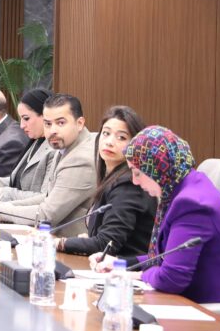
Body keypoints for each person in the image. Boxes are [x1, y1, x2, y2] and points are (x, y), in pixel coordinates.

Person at [92, 126, 220, 304]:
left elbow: (172, 279)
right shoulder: (180, 188)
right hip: (193, 300)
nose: (135, 181)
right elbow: (165, 257)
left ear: (157, 169)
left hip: (217, 307)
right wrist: (120, 263)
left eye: (137, 173)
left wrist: (135, 275)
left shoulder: (191, 203)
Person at [0, 93, 96, 237]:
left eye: (61, 123)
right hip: (51, 238)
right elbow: (47, 197)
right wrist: (1, 207)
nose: (52, 130)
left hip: (69, 244)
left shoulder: (81, 159)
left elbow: (46, 215)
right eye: (48, 124)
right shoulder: (65, 147)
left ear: (80, 123)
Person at [58, 106, 154, 257]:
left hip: (127, 268)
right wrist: (88, 240)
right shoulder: (112, 177)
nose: (109, 142)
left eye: (121, 137)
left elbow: (107, 244)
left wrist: (60, 243)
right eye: (106, 133)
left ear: (135, 145)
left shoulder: (129, 184)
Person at [0, 89, 53, 200]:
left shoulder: (55, 149)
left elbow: (45, 197)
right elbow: (16, 181)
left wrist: (3, 192)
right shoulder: (36, 141)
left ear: (45, 115)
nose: (22, 125)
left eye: (26, 118)